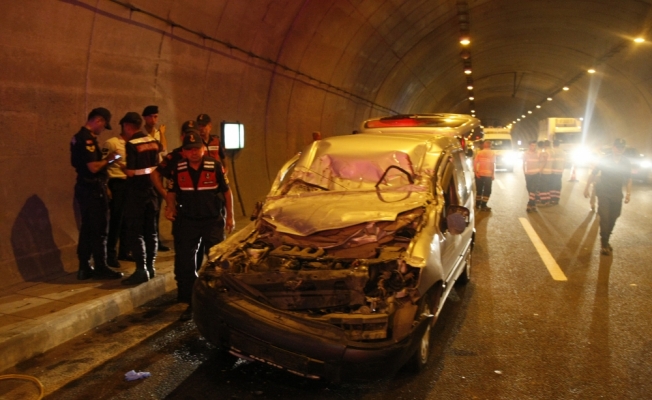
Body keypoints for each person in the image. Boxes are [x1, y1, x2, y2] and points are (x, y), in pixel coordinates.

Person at [164, 131, 235, 321]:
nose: (193, 152)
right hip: (187, 221)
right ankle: (190, 301)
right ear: (184, 152)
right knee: (186, 261)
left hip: (212, 220)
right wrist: (169, 207)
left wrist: (230, 217)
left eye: (197, 148)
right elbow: (171, 191)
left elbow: (227, 193)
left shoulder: (215, 166)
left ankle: (217, 298)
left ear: (203, 149)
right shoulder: (178, 169)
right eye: (189, 150)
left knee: (215, 259)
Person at [70, 107, 124, 280]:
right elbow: (93, 167)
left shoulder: (78, 137)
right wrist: (110, 159)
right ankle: (100, 267)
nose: (102, 130)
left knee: (87, 228)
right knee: (99, 229)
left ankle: (84, 266)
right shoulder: (87, 140)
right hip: (92, 189)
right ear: (98, 120)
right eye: (103, 125)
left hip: (86, 187)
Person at [121, 112, 162, 285]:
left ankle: (141, 269)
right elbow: (157, 166)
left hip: (136, 194)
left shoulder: (131, 144)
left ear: (128, 126)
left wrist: (119, 165)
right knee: (151, 231)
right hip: (152, 192)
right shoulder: (153, 141)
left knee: (135, 232)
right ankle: (151, 267)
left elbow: (131, 171)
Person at [583, 138, 632, 256]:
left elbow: (629, 178)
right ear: (613, 147)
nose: (619, 149)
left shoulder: (626, 162)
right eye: (617, 147)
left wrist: (628, 194)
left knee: (614, 215)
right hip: (604, 192)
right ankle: (604, 242)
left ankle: (607, 237)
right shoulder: (605, 159)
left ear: (623, 149)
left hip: (616, 193)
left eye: (621, 147)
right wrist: (586, 187)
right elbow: (594, 173)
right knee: (604, 216)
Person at [142, 105, 170, 252]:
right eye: (151, 117)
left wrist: (162, 134)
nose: (154, 120)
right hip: (145, 175)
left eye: (156, 116)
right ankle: (147, 240)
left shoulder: (158, 133)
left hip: (157, 174)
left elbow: (164, 150)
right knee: (146, 211)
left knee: (156, 209)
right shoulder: (141, 134)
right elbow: (158, 148)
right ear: (145, 118)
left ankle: (156, 240)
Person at [102, 126, 130, 267]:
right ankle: (110, 254)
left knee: (127, 220)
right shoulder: (112, 143)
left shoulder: (133, 143)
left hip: (129, 183)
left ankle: (124, 251)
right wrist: (106, 186)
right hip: (116, 182)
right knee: (116, 220)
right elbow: (103, 165)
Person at [473, 140, 495, 211]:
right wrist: (493, 174)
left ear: (484, 145)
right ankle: (483, 205)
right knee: (487, 190)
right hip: (488, 174)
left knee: (479, 190)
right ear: (490, 145)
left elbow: (475, 163)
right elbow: (492, 164)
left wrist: (476, 172)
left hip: (479, 174)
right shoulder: (492, 153)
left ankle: (477, 204)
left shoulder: (479, 153)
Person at [523, 140, 542, 212]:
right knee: (529, 189)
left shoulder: (538, 154)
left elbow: (542, 161)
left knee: (533, 188)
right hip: (528, 174)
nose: (533, 147)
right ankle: (533, 204)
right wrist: (524, 172)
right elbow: (523, 163)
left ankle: (529, 204)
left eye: (534, 145)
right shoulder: (525, 154)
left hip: (536, 174)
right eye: (531, 145)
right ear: (529, 146)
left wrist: (540, 170)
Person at [549, 139, 566, 205]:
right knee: (558, 184)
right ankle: (557, 198)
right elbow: (565, 161)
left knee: (552, 184)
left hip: (553, 170)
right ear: (559, 144)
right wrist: (562, 168)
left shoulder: (552, 151)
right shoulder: (563, 152)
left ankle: (552, 198)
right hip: (560, 171)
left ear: (553, 144)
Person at [538, 140, 552, 205]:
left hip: (544, 171)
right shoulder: (552, 152)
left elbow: (544, 162)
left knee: (543, 186)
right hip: (550, 171)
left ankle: (544, 200)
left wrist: (540, 170)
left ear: (544, 145)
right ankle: (548, 199)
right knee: (548, 186)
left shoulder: (545, 152)